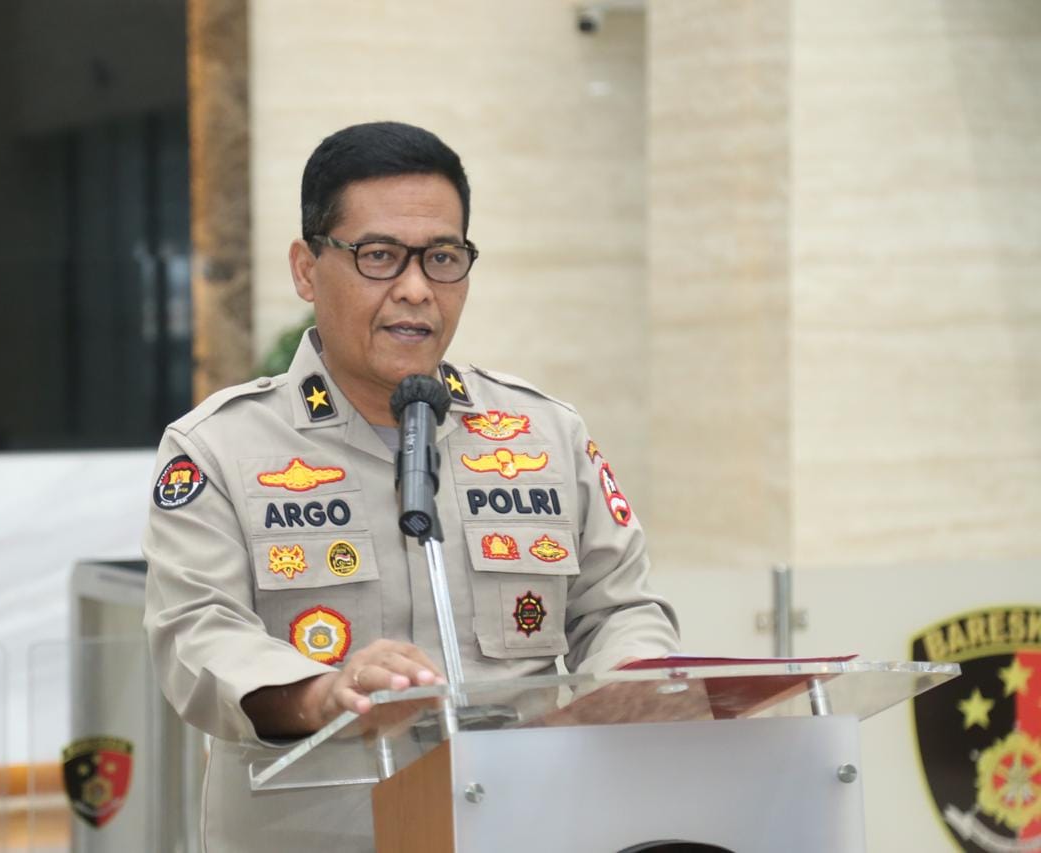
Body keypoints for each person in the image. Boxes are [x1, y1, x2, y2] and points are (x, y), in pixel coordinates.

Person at [143, 121, 678, 852]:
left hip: (526, 824)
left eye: (443, 257)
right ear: (306, 269)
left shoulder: (543, 434)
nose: (417, 289)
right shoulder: (218, 448)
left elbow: (619, 606)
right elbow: (196, 634)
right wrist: (322, 693)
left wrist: (633, 681)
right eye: (379, 256)